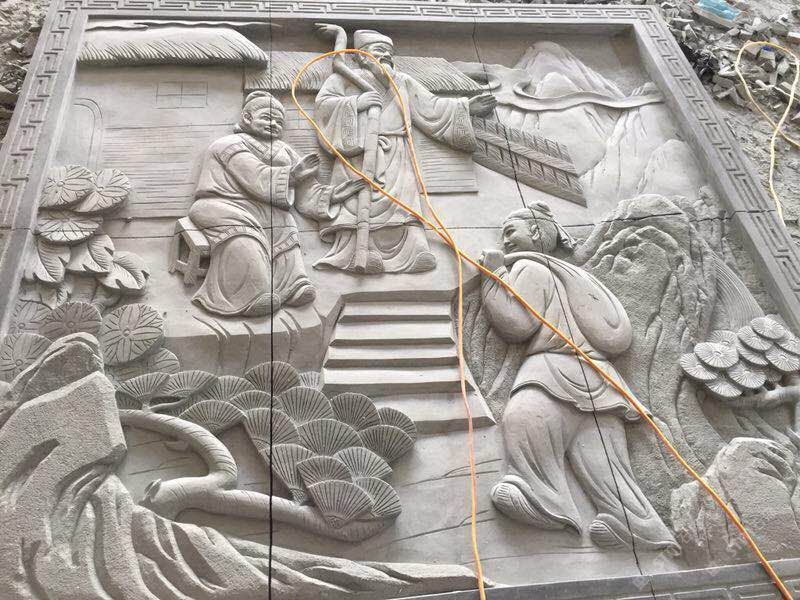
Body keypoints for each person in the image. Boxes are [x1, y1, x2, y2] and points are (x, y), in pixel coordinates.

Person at [480, 203, 678, 553]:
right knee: (607, 464)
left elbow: (518, 324)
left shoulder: (529, 268)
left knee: (524, 420)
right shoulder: (576, 276)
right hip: (599, 377)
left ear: (536, 231)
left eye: (510, 231)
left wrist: (492, 277)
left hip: (552, 370)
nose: (505, 240)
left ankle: (543, 498)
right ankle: (639, 526)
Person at [308, 28, 497, 274]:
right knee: (355, 203)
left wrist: (465, 107)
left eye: (390, 52)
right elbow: (324, 106)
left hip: (396, 152)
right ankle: (355, 254)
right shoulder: (344, 78)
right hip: (357, 153)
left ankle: (414, 251)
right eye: (380, 51)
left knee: (404, 205)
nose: (387, 56)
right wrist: (356, 103)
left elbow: (430, 107)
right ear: (362, 56)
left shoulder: (402, 81)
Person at [188, 91, 364, 316]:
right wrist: (291, 176)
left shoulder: (283, 149)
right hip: (221, 205)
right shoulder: (228, 144)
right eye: (267, 118)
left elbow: (305, 189)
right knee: (244, 234)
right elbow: (255, 176)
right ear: (247, 118)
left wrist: (332, 195)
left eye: (279, 122)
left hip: (262, 209)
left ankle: (292, 286)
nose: (274, 124)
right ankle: (248, 294)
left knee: (284, 221)